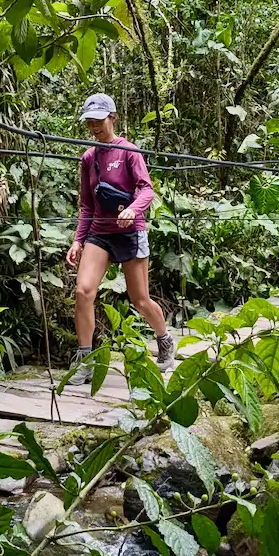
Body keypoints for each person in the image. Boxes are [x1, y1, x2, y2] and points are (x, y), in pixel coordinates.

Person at [65, 93, 175, 385]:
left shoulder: (129, 151)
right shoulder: (88, 157)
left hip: (130, 231)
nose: (94, 126)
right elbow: (87, 204)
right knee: (83, 291)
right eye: (89, 121)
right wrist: (78, 240)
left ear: (112, 118)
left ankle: (164, 339)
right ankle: (85, 358)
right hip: (99, 233)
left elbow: (146, 189)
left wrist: (132, 209)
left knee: (139, 299)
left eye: (99, 120)